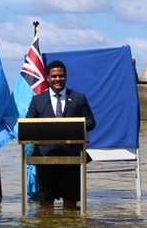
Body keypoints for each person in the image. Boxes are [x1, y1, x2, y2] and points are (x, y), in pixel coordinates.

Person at [25, 60, 95, 208]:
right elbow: (28, 123)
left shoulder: (78, 98)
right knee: (45, 202)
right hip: (44, 158)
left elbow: (90, 122)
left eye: (61, 76)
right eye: (54, 76)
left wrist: (72, 129)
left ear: (66, 77)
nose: (58, 79)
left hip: (71, 156)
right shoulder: (38, 100)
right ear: (48, 78)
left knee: (70, 202)